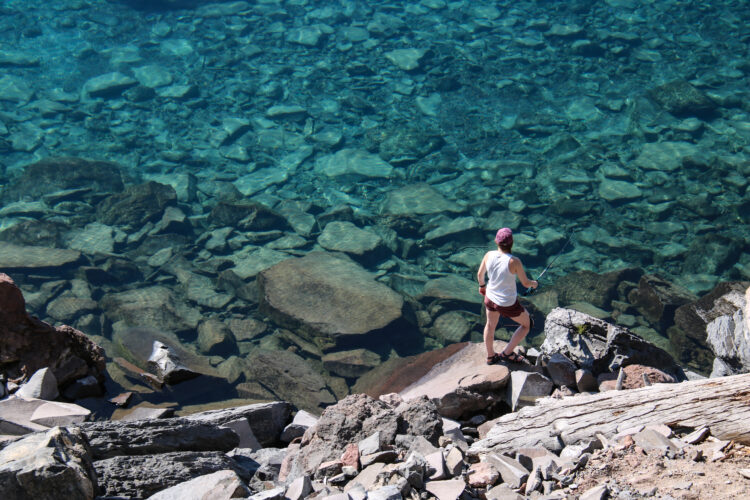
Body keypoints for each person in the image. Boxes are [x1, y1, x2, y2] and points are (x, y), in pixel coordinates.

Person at [477, 227, 538, 365]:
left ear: (496, 241)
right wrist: (535, 284)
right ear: (512, 243)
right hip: (506, 303)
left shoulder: (488, 255)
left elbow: (480, 275)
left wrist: (482, 287)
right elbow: (526, 283)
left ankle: (491, 356)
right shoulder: (514, 261)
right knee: (527, 325)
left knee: (490, 325)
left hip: (490, 298)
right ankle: (507, 353)